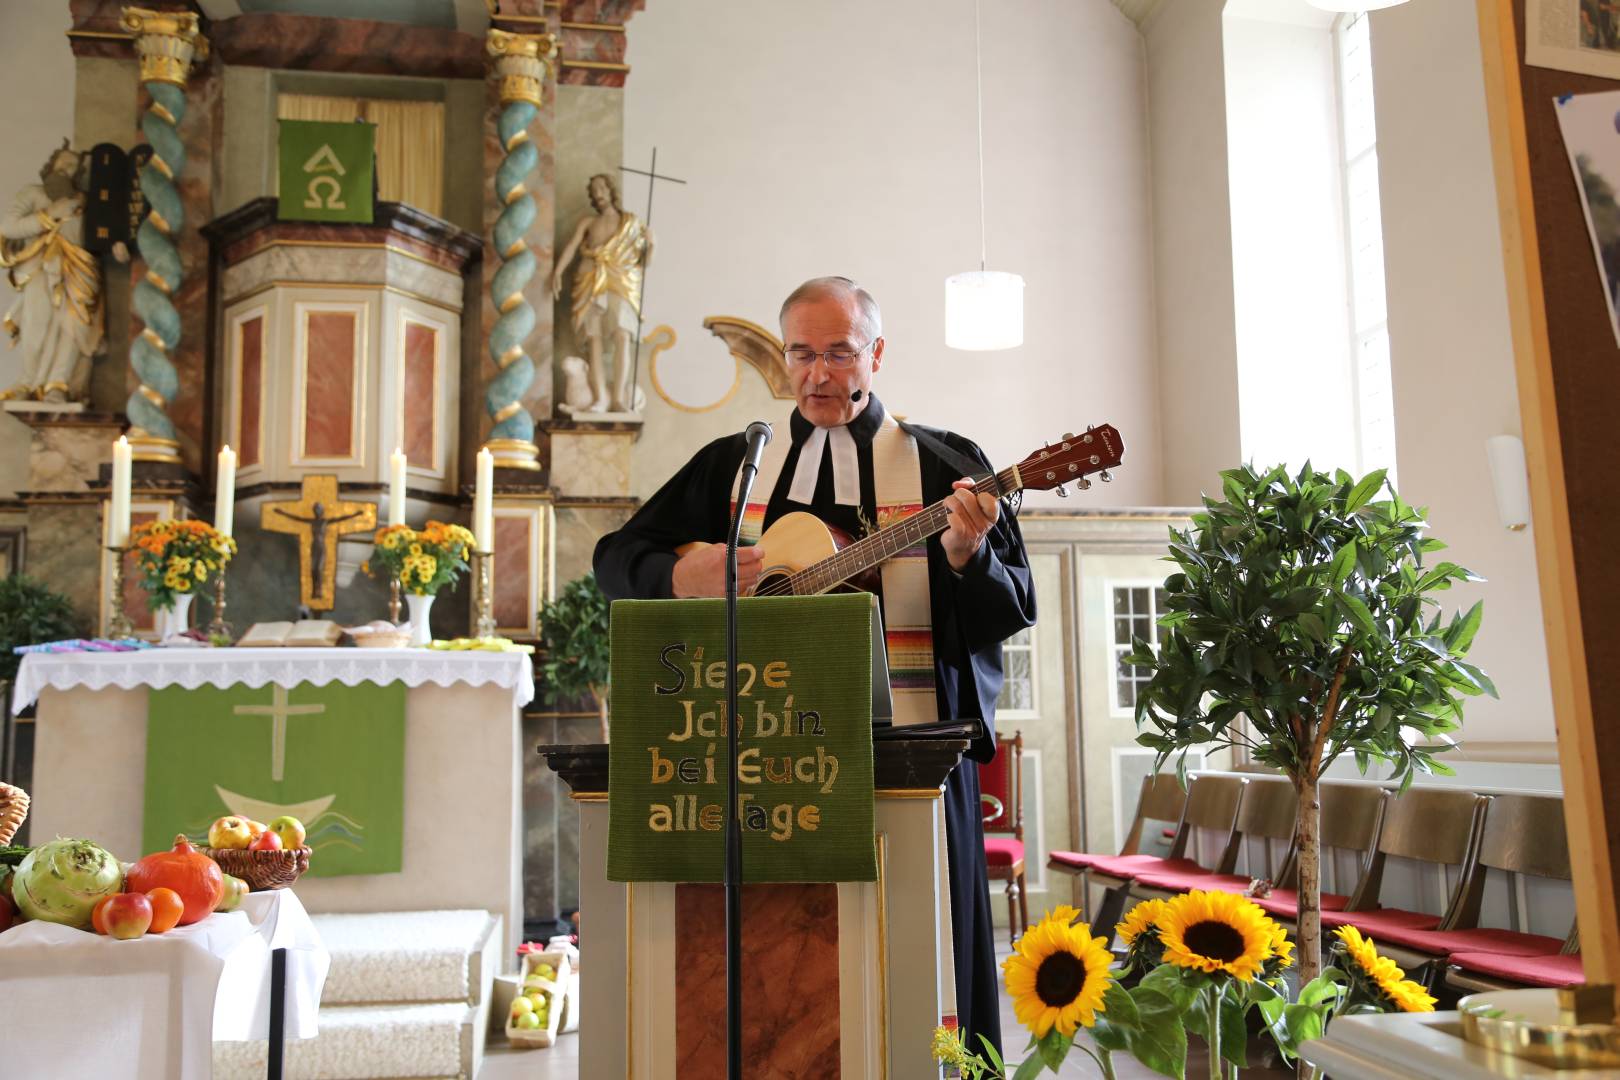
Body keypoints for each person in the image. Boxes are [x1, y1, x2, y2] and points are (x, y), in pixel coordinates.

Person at [593, 275, 1035, 1057]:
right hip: (763, 753)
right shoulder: (739, 464)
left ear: (877, 354)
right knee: (769, 970)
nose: (819, 374)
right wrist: (677, 575)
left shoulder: (946, 467)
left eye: (840, 352)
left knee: (924, 956)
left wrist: (965, 557)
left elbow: (1010, 609)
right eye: (802, 353)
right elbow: (616, 556)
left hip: (910, 750)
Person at [0, 144, 118, 403]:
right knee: (36, 323)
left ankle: (58, 384)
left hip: (79, 270)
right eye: (62, 164)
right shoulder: (34, 193)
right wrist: (49, 214)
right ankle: (28, 382)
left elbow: (102, 233)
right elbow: (8, 227)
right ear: (50, 165)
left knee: (73, 326)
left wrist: (118, 244)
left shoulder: (85, 204)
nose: (65, 170)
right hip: (41, 267)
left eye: (72, 167)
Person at [551, 173, 653, 414]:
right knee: (593, 341)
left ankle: (618, 398)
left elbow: (642, 262)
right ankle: (600, 399)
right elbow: (572, 246)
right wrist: (557, 271)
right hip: (591, 279)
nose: (599, 193)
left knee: (622, 337)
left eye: (602, 188)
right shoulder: (588, 222)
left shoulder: (630, 223)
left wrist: (653, 244)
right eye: (594, 189)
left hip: (619, 281)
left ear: (611, 190)